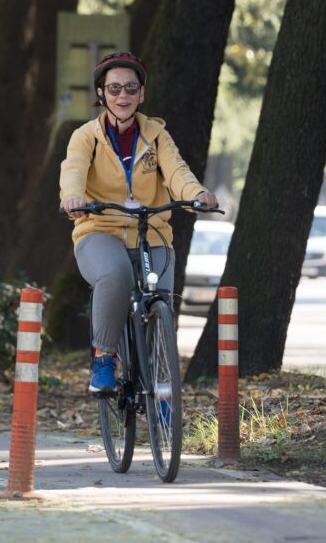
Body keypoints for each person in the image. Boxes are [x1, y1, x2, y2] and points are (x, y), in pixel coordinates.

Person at [59, 52, 218, 395]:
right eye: (114, 88)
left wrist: (198, 194)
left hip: (153, 232)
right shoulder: (86, 136)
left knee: (160, 298)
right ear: (101, 94)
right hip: (99, 231)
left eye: (131, 88)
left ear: (142, 93)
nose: (123, 96)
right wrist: (72, 198)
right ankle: (104, 357)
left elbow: (178, 173)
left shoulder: (157, 136)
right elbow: (72, 170)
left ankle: (161, 383)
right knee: (116, 272)